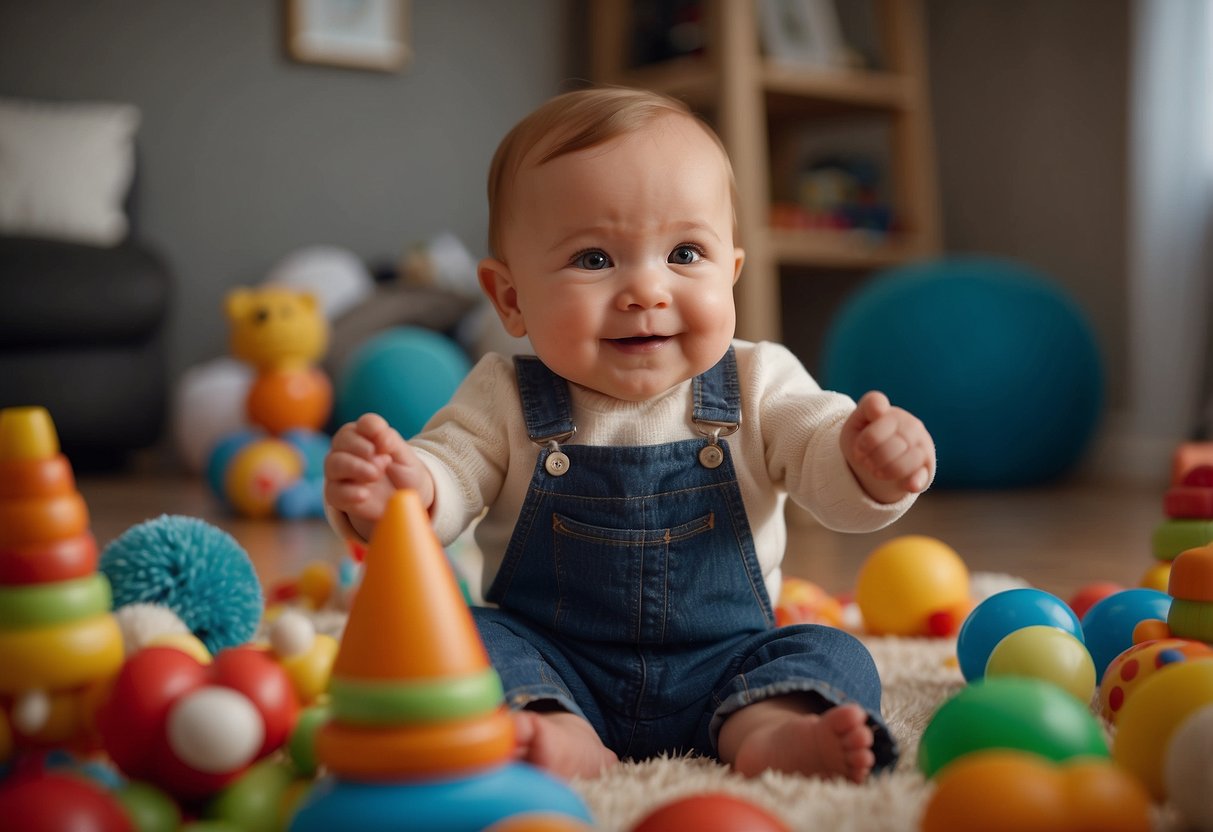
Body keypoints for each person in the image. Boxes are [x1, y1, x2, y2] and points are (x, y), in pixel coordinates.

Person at [324, 87, 935, 784]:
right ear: (510, 298)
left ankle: (769, 729)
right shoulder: (502, 395)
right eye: (593, 259)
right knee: (464, 637)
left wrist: (868, 463)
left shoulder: (759, 381)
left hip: (726, 661)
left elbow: (826, 468)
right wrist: (402, 491)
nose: (646, 290)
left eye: (683, 252)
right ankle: (555, 726)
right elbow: (449, 471)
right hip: (553, 655)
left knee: (830, 649)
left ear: (729, 273)